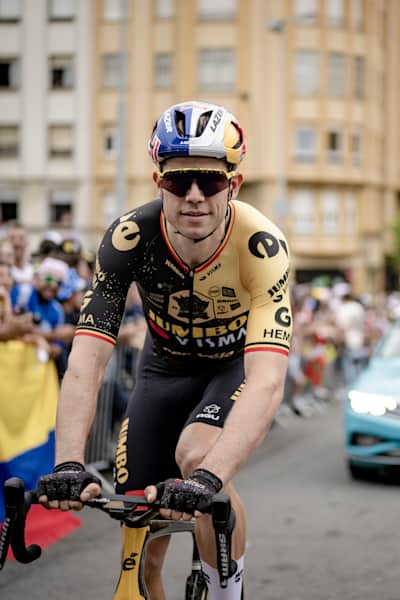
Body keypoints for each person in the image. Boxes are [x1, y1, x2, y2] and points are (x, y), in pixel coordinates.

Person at [36, 100, 292, 600]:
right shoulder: (129, 239)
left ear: (233, 185)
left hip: (232, 367)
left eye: (210, 181)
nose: (194, 196)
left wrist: (210, 478)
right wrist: (68, 462)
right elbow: (87, 359)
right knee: (139, 539)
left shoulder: (261, 244)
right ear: (160, 184)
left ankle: (227, 593)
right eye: (179, 181)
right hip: (162, 370)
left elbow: (268, 380)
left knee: (196, 456)